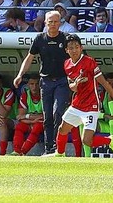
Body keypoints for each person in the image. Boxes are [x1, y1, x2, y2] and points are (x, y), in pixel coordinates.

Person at [49, 34, 113, 157]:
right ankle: (60, 153)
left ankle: (110, 140)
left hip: (91, 106)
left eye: (76, 47)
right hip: (77, 104)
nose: (74, 50)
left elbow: (104, 83)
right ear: (66, 50)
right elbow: (72, 87)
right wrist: (76, 83)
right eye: (71, 48)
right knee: (62, 129)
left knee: (87, 141)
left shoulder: (89, 62)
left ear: (81, 48)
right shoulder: (67, 64)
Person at [14, 11, 69, 154]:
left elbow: (78, 57)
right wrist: (20, 75)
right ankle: (48, 148)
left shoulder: (65, 38)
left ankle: (58, 147)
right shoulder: (40, 39)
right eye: (50, 21)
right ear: (45, 22)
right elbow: (29, 58)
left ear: (60, 22)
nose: (53, 24)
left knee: (58, 113)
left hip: (62, 81)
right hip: (46, 81)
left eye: (55, 21)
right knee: (47, 116)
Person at [10, 75, 44, 156]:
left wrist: (27, 116)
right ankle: (17, 151)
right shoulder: (25, 95)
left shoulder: (45, 94)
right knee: (19, 126)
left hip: (42, 123)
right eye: (32, 84)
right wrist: (32, 120)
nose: (34, 87)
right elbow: (20, 117)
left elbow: (45, 116)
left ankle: (23, 152)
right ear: (28, 85)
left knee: (37, 126)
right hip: (30, 121)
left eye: (37, 84)